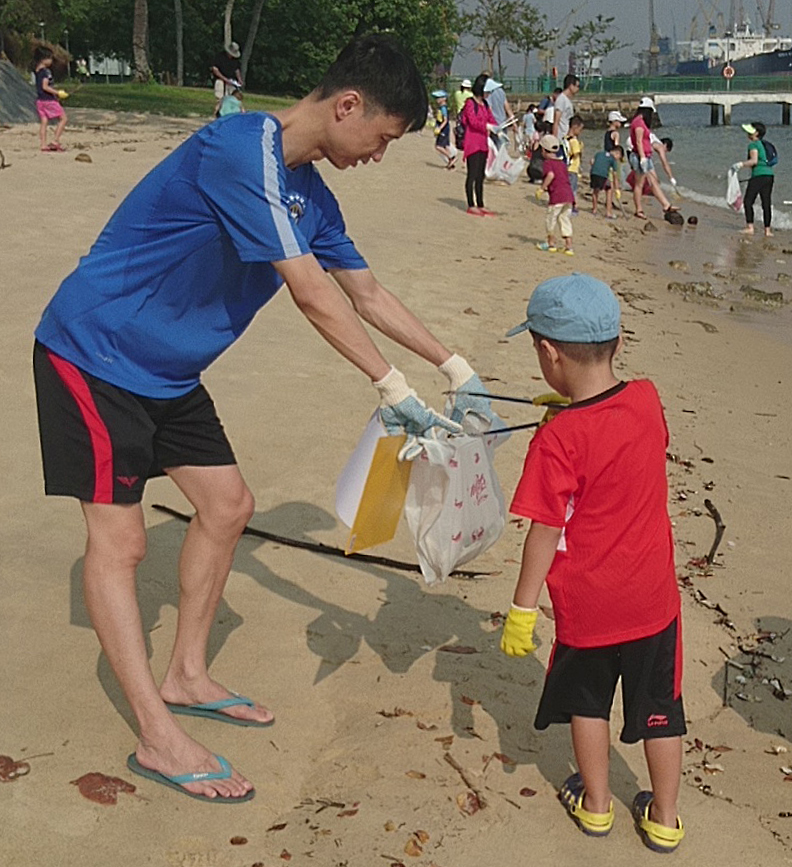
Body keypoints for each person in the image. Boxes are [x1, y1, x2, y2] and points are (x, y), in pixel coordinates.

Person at [31, 32, 500, 805]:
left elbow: (366, 292)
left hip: (170, 369)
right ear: (347, 105)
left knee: (227, 506)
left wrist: (456, 369)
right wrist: (393, 391)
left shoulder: (310, 193)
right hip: (95, 352)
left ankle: (185, 673)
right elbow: (312, 293)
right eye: (381, 138)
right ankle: (155, 732)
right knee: (120, 539)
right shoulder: (238, 147)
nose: (378, 156)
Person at [499, 274, 686, 853]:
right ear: (618, 342)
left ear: (549, 353)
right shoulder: (648, 397)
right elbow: (626, 437)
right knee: (662, 711)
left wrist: (521, 608)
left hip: (589, 607)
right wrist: (576, 414)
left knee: (588, 703)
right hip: (653, 600)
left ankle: (598, 806)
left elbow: (544, 529)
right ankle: (665, 815)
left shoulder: (555, 442)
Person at [627, 98, 676, 220]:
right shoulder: (638, 123)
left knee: (653, 182)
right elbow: (638, 141)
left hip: (645, 156)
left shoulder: (641, 122)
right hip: (640, 156)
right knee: (639, 184)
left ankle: (666, 205)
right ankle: (639, 210)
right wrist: (642, 158)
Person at [459, 74, 498, 216]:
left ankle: (480, 203)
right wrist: (487, 126)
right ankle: (471, 204)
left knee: (481, 175)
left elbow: (491, 119)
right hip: (472, 143)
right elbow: (473, 122)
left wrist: (496, 127)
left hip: (483, 143)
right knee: (472, 174)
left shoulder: (485, 104)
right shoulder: (470, 103)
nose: (488, 94)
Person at [734, 122, 774, 237]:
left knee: (748, 201)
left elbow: (754, 161)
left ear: (756, 133)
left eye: (750, 130)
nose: (747, 132)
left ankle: (750, 227)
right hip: (769, 175)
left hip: (758, 176)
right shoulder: (764, 144)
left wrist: (740, 165)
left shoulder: (753, 145)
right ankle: (767, 230)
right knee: (766, 202)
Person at [537, 135, 574, 254]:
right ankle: (568, 246)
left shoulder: (548, 163)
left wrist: (542, 188)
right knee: (565, 219)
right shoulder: (562, 163)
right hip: (568, 195)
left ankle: (550, 243)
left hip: (557, 196)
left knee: (551, 219)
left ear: (543, 150)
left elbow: (551, 175)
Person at [33, 46, 67, 152]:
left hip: (40, 101)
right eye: (50, 58)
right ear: (44, 59)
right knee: (63, 118)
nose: (51, 61)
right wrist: (58, 93)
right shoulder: (46, 72)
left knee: (44, 121)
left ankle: (43, 145)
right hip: (48, 100)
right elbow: (45, 86)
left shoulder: (37, 70)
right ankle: (55, 141)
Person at [210, 41, 243, 118]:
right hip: (220, 80)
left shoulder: (235, 60)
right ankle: (216, 116)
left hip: (231, 81)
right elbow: (215, 69)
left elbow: (236, 70)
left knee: (233, 99)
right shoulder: (219, 57)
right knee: (220, 99)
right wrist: (224, 79)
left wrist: (239, 79)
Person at [589, 144, 622, 218]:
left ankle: (594, 210)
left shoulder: (599, 153)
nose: (617, 159)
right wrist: (617, 189)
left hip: (594, 174)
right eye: (618, 157)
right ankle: (608, 212)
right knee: (609, 190)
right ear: (617, 153)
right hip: (603, 175)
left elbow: (591, 161)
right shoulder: (612, 159)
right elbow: (615, 175)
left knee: (595, 191)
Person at [547, 74, 579, 141]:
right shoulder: (561, 99)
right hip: (561, 138)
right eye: (577, 86)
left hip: (567, 137)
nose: (578, 89)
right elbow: (556, 121)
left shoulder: (567, 100)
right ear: (571, 86)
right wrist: (554, 140)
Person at [564, 115, 585, 213]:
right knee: (573, 189)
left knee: (567, 187)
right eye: (580, 129)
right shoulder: (574, 141)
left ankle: (567, 204)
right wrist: (581, 148)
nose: (581, 132)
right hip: (573, 168)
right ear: (575, 127)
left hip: (566, 167)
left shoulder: (565, 138)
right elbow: (576, 154)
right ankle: (572, 206)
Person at [430, 89, 455, 169]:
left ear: (444, 99)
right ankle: (450, 163)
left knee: (438, 146)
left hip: (443, 129)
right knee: (445, 146)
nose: (437, 100)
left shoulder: (443, 108)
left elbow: (445, 120)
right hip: (443, 128)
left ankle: (451, 157)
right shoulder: (441, 108)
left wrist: (439, 129)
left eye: (439, 98)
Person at [451, 78, 473, 150]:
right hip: (467, 113)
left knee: (459, 129)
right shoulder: (470, 95)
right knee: (468, 129)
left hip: (459, 113)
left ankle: (459, 143)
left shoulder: (457, 93)